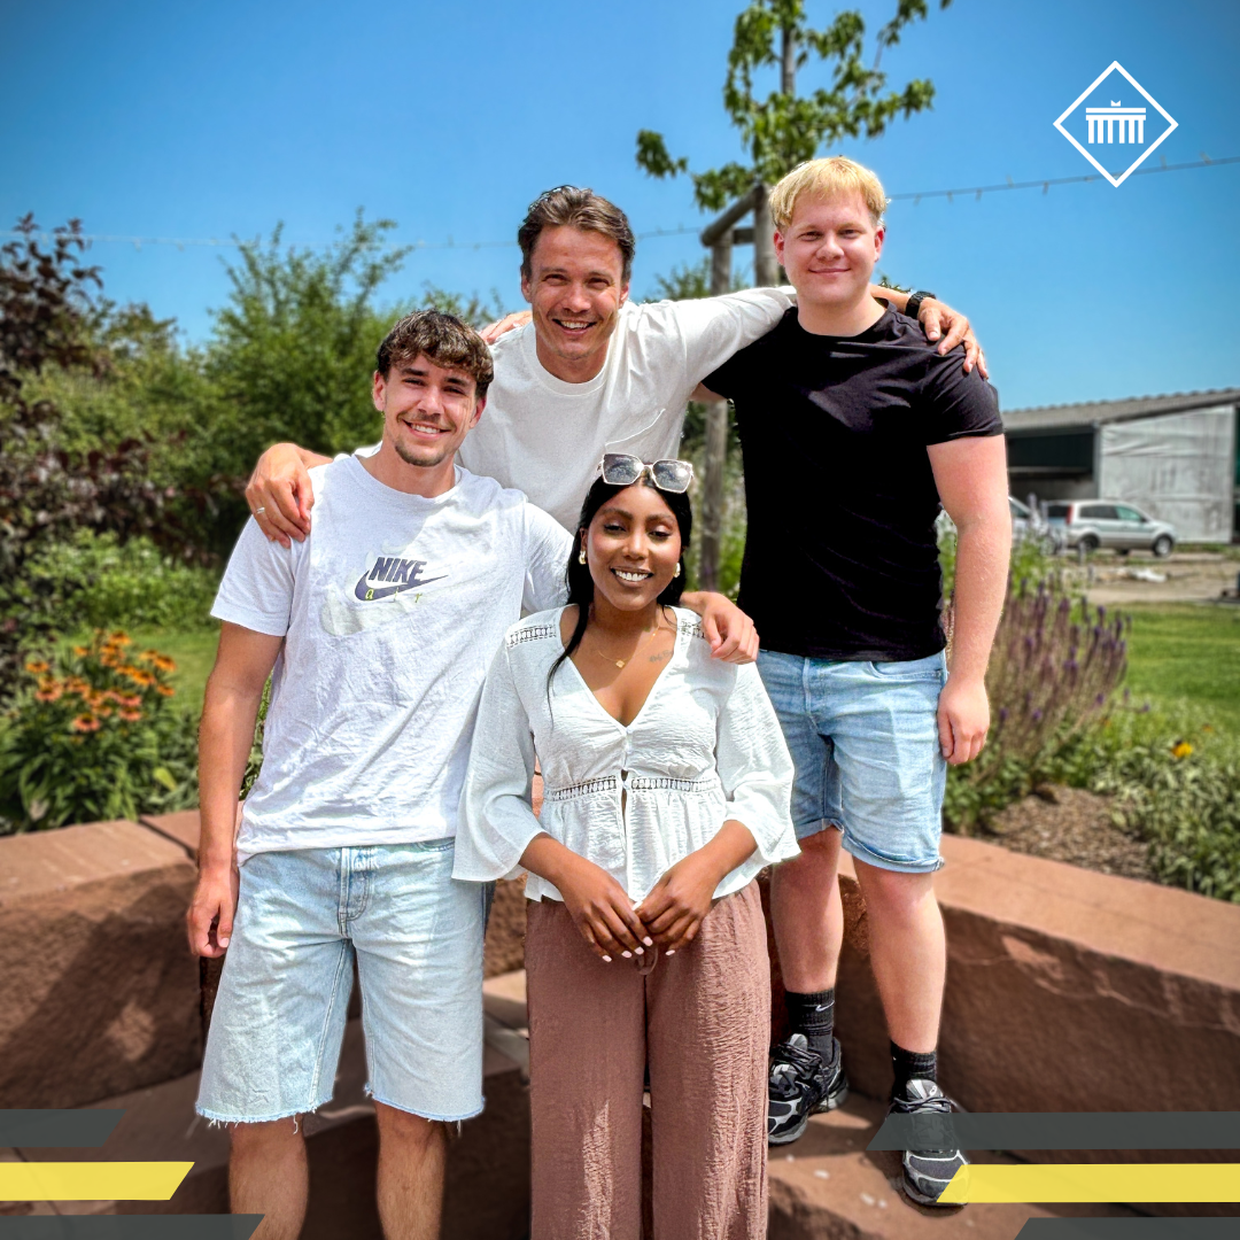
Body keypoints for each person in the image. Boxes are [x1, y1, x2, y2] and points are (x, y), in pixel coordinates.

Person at [185, 310, 575, 1240]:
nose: (430, 405)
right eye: (413, 382)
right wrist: (215, 861)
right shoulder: (300, 507)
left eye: (453, 390)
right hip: (285, 857)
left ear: (478, 410)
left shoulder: (510, 527)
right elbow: (233, 691)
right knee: (259, 1117)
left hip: (432, 863)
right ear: (380, 390)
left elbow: (623, 599)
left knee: (414, 1118)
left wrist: (710, 604)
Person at [698, 156, 1011, 1206]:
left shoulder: (937, 361)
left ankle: (919, 1088)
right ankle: (813, 1048)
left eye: (848, 232)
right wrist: (531, 335)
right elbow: (629, 357)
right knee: (797, 862)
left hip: (891, 670)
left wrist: (965, 679)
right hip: (770, 666)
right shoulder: (757, 348)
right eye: (808, 234)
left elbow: (984, 523)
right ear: (779, 248)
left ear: (879, 241)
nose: (828, 249)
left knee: (898, 879)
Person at [244, 186, 982, 563]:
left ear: (625, 288)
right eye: (554, 278)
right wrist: (284, 457)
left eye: (596, 281)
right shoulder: (480, 374)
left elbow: (816, 284)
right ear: (525, 284)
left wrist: (917, 300)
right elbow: (392, 463)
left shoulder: (667, 337)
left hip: (621, 597)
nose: (575, 300)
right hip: (495, 607)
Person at [453, 457, 800, 1239]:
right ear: (584, 541)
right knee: (581, 1144)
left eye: (659, 531)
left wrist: (707, 872)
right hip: (577, 930)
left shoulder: (715, 647)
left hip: (712, 923)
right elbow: (491, 797)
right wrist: (568, 872)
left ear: (680, 553)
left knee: (715, 1142)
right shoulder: (526, 648)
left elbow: (767, 787)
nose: (635, 548)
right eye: (615, 526)